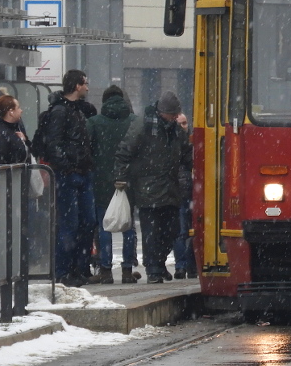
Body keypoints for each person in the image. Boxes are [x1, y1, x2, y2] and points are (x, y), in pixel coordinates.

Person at [114, 91, 192, 284]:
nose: (175, 117)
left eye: (176, 114)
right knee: (152, 233)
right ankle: (154, 270)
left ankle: (159, 263)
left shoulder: (175, 131)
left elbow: (187, 155)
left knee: (171, 231)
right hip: (148, 189)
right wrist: (121, 178)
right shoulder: (143, 126)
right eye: (172, 114)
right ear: (162, 111)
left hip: (171, 190)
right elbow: (125, 151)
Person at [45, 69, 97, 288]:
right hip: (70, 175)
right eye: (85, 83)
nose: (87, 87)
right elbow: (53, 144)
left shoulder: (75, 110)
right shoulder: (61, 111)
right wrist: (67, 167)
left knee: (87, 221)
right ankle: (64, 271)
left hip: (81, 173)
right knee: (70, 224)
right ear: (77, 86)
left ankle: (77, 268)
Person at [87, 85, 142, 285]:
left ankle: (105, 270)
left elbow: (87, 150)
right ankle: (127, 270)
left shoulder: (94, 123)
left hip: (102, 181)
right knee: (128, 225)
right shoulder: (135, 122)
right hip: (128, 180)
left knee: (105, 226)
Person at [171, 112, 197, 280]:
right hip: (181, 192)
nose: (183, 126)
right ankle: (183, 265)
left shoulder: (190, 142)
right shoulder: (178, 143)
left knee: (190, 231)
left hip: (191, 192)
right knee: (182, 231)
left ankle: (188, 265)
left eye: (185, 123)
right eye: (180, 123)